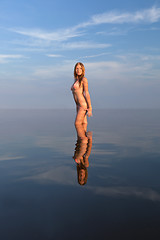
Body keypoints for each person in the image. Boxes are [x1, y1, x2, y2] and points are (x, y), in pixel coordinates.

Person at [71, 62, 92, 128]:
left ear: (83, 70)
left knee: (77, 124)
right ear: (75, 70)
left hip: (82, 105)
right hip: (78, 105)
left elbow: (86, 93)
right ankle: (87, 138)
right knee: (84, 124)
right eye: (77, 68)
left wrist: (90, 107)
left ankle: (84, 138)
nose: (78, 70)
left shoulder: (84, 79)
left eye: (80, 68)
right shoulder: (76, 80)